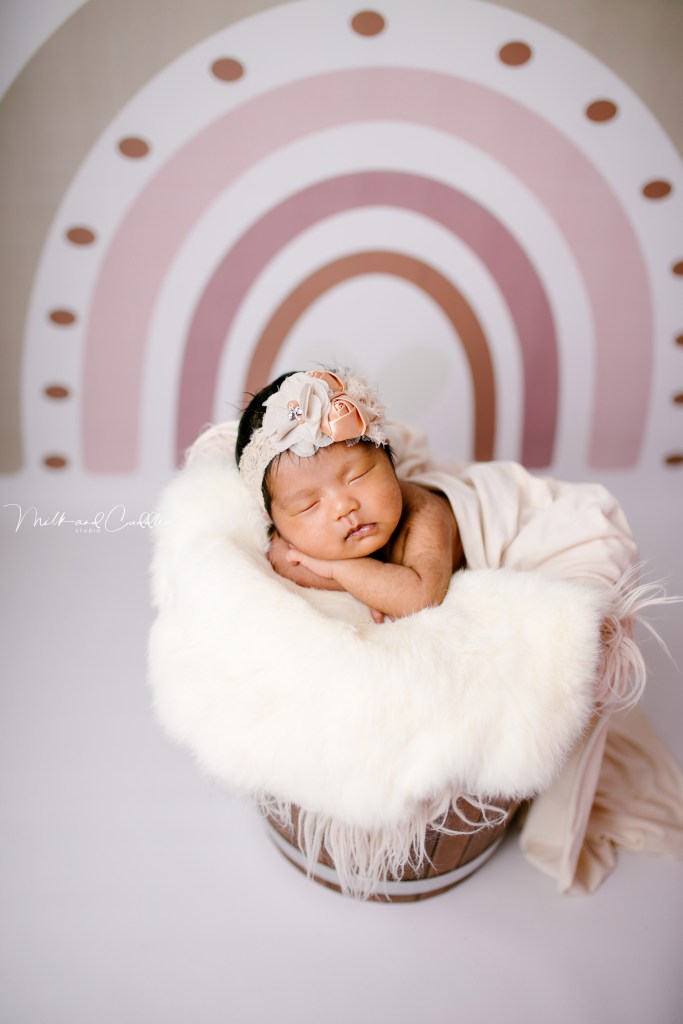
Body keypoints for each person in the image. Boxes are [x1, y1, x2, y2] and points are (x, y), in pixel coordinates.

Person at [235, 367, 464, 622]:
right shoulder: (284, 543)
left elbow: (420, 598)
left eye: (358, 477)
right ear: (273, 520)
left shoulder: (425, 515)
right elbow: (282, 559)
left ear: (389, 460)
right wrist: (373, 587)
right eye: (309, 505)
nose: (343, 507)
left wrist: (337, 569)